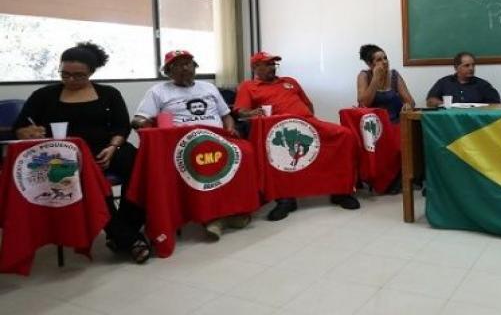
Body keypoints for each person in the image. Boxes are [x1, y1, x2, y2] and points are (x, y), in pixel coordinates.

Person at [13, 42, 150, 264]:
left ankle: (124, 230)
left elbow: (121, 127)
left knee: (140, 171)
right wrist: (27, 132)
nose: (71, 80)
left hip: (108, 148)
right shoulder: (44, 95)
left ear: (91, 73)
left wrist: (113, 147)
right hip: (64, 155)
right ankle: (128, 239)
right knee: (90, 180)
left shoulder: (109, 94)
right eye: (64, 74)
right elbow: (19, 127)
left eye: (79, 76)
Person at [132, 50, 248, 240]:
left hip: (218, 137)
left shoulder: (209, 87)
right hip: (185, 142)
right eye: (178, 65)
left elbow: (226, 115)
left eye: (189, 63)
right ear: (168, 72)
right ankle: (213, 217)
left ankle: (235, 209)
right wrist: (141, 124)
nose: (185, 68)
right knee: (205, 159)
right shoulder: (158, 91)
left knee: (246, 152)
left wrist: (230, 128)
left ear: (195, 68)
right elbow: (140, 118)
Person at [235, 51, 361, 221]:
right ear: (255, 67)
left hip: (308, 123)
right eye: (268, 64)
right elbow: (241, 112)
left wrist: (308, 122)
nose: (273, 67)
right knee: (276, 150)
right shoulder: (248, 87)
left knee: (345, 135)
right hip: (281, 130)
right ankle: (286, 199)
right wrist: (252, 113)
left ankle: (340, 192)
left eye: (274, 64)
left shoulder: (289, 82)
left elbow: (308, 104)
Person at [356, 44, 415, 124]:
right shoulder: (364, 76)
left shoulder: (394, 75)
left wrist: (408, 105)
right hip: (373, 126)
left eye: (385, 58)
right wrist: (375, 78)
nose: (384, 62)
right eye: (379, 60)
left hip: (394, 123)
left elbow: (411, 102)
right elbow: (363, 104)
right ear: (370, 64)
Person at [426, 52, 500, 107]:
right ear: (456, 67)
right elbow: (430, 101)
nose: (471, 68)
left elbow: (496, 104)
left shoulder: (483, 85)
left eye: (473, 65)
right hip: (450, 121)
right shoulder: (444, 82)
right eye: (467, 65)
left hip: (476, 122)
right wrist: (444, 104)